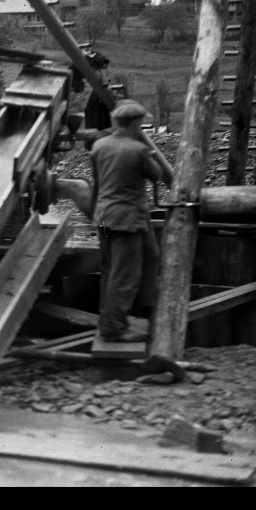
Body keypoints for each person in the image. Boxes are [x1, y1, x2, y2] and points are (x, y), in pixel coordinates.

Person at [89, 99, 162, 344]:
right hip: (126, 221)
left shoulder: (99, 146)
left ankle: (107, 318)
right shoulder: (138, 150)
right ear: (135, 124)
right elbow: (157, 174)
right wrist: (148, 151)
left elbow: (98, 184)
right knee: (125, 274)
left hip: (104, 219)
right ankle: (115, 328)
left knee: (110, 269)